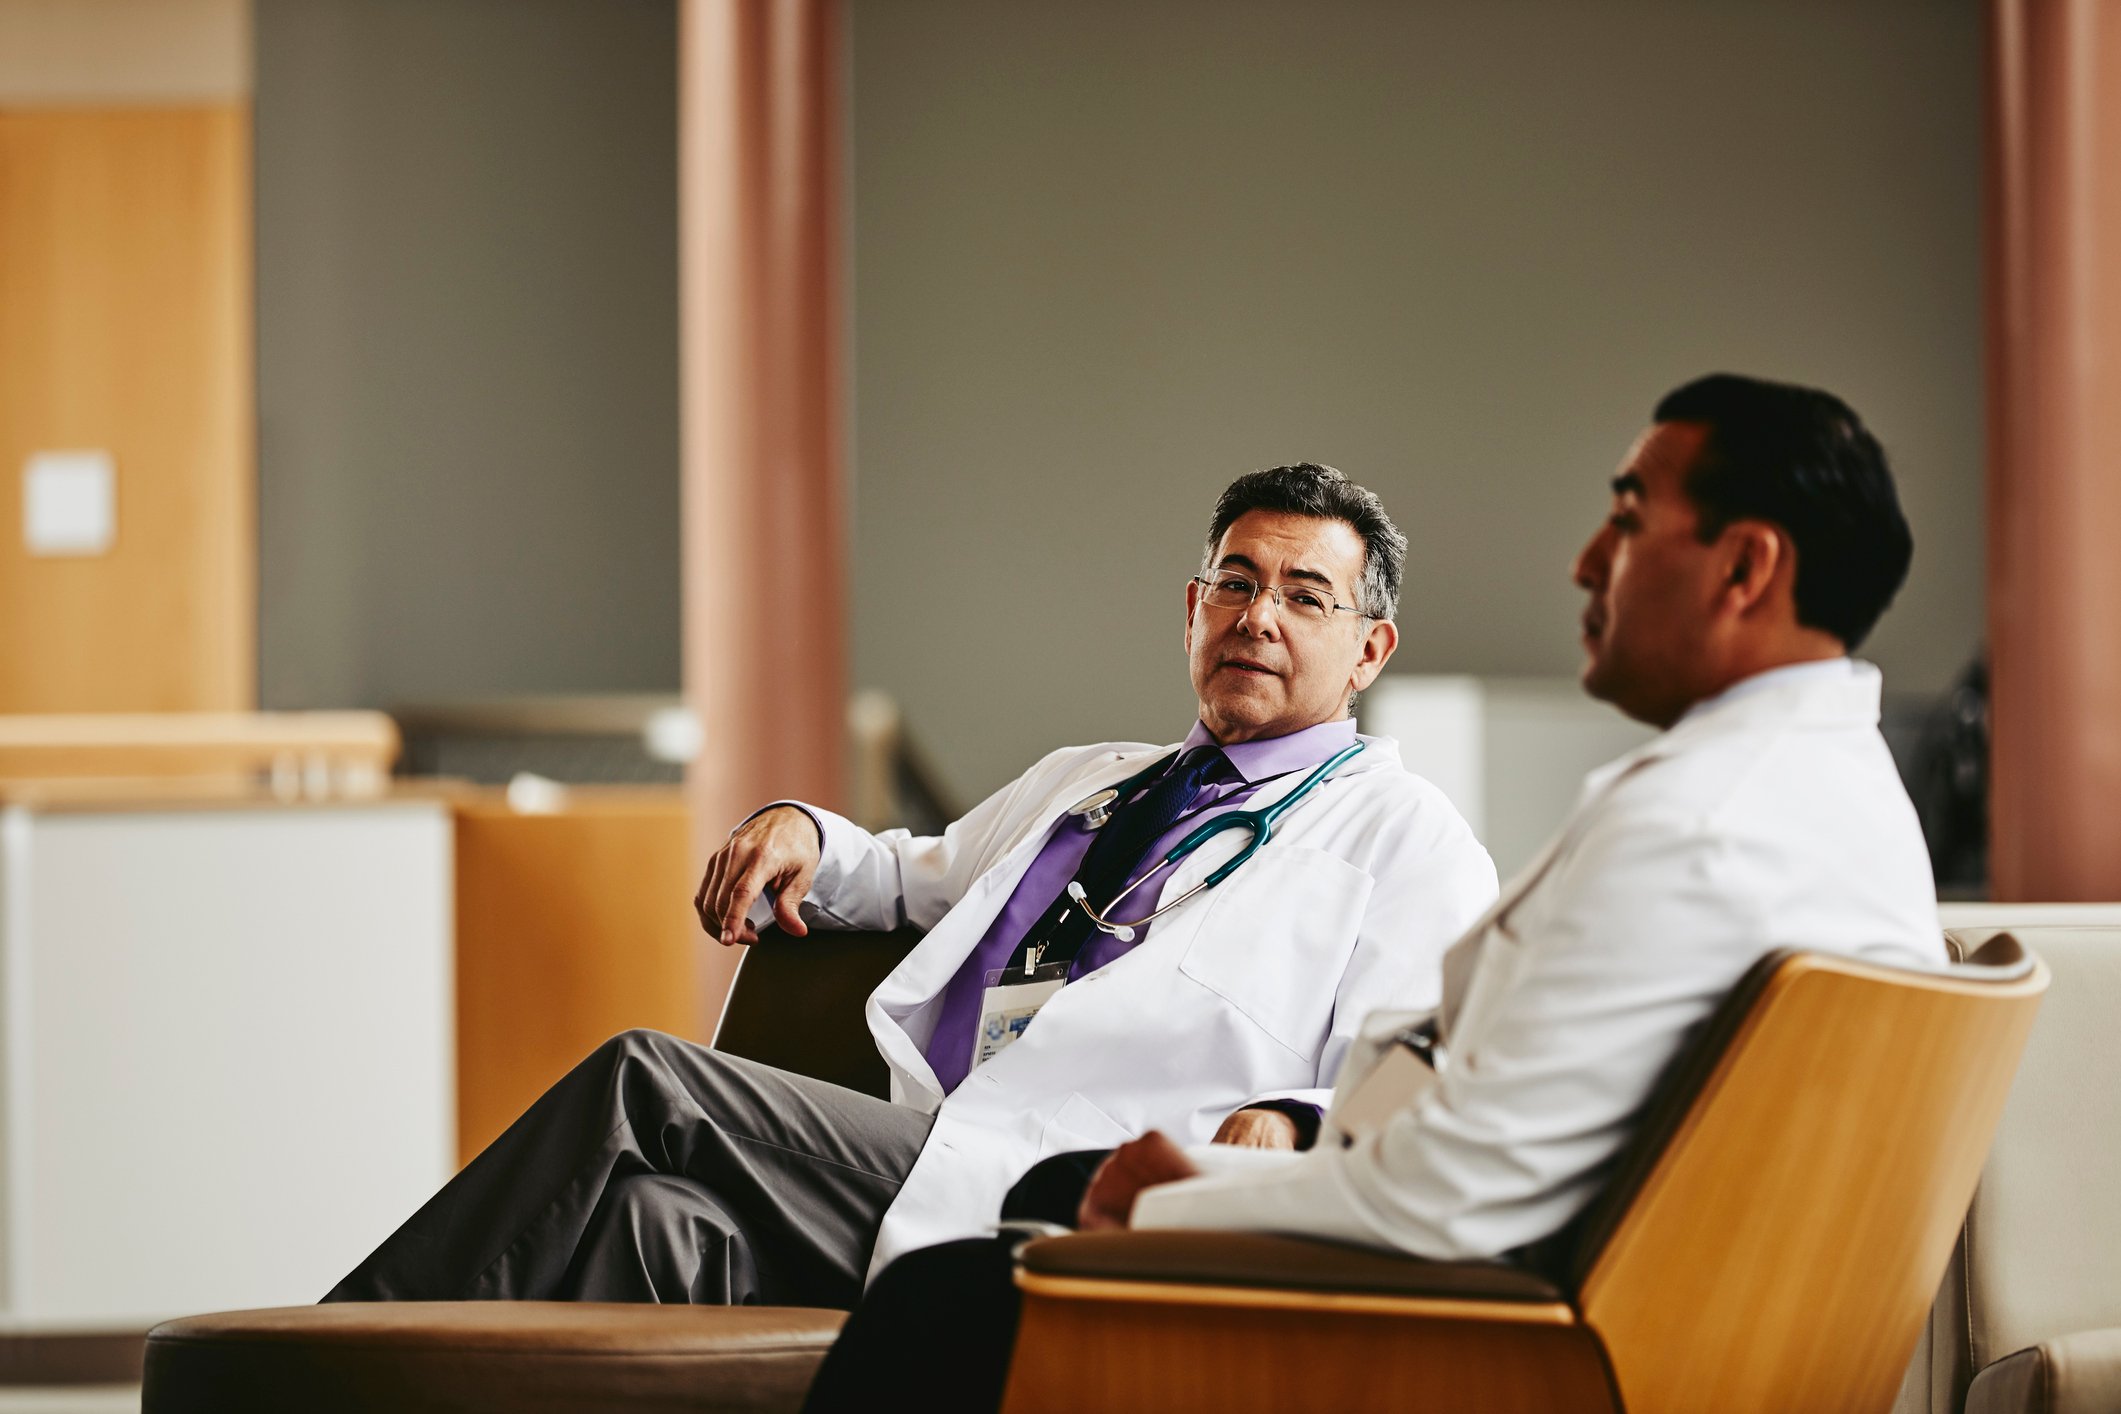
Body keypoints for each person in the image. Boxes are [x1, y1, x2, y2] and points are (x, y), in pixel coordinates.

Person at [800, 373, 1947, 1413]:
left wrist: (1179, 1196)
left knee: (952, 1291)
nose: (1586, 560)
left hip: (1491, 1348)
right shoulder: (1853, 809)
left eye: (1630, 516)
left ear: (1746, 567)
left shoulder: (1688, 825)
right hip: (1653, 1340)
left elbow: (1458, 1195)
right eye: (1235, 585)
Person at [323, 462, 1497, 1309]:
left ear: (1369, 650)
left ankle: (321, 1371)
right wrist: (801, 829)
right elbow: (910, 873)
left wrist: (1291, 1122)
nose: (1259, 617)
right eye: (1235, 583)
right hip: (938, 1148)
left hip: (1086, 1193)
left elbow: (1404, 1078)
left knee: (649, 1082)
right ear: (1193, 610)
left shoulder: (1411, 843)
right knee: (656, 1226)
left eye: (1306, 595)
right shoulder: (1093, 784)